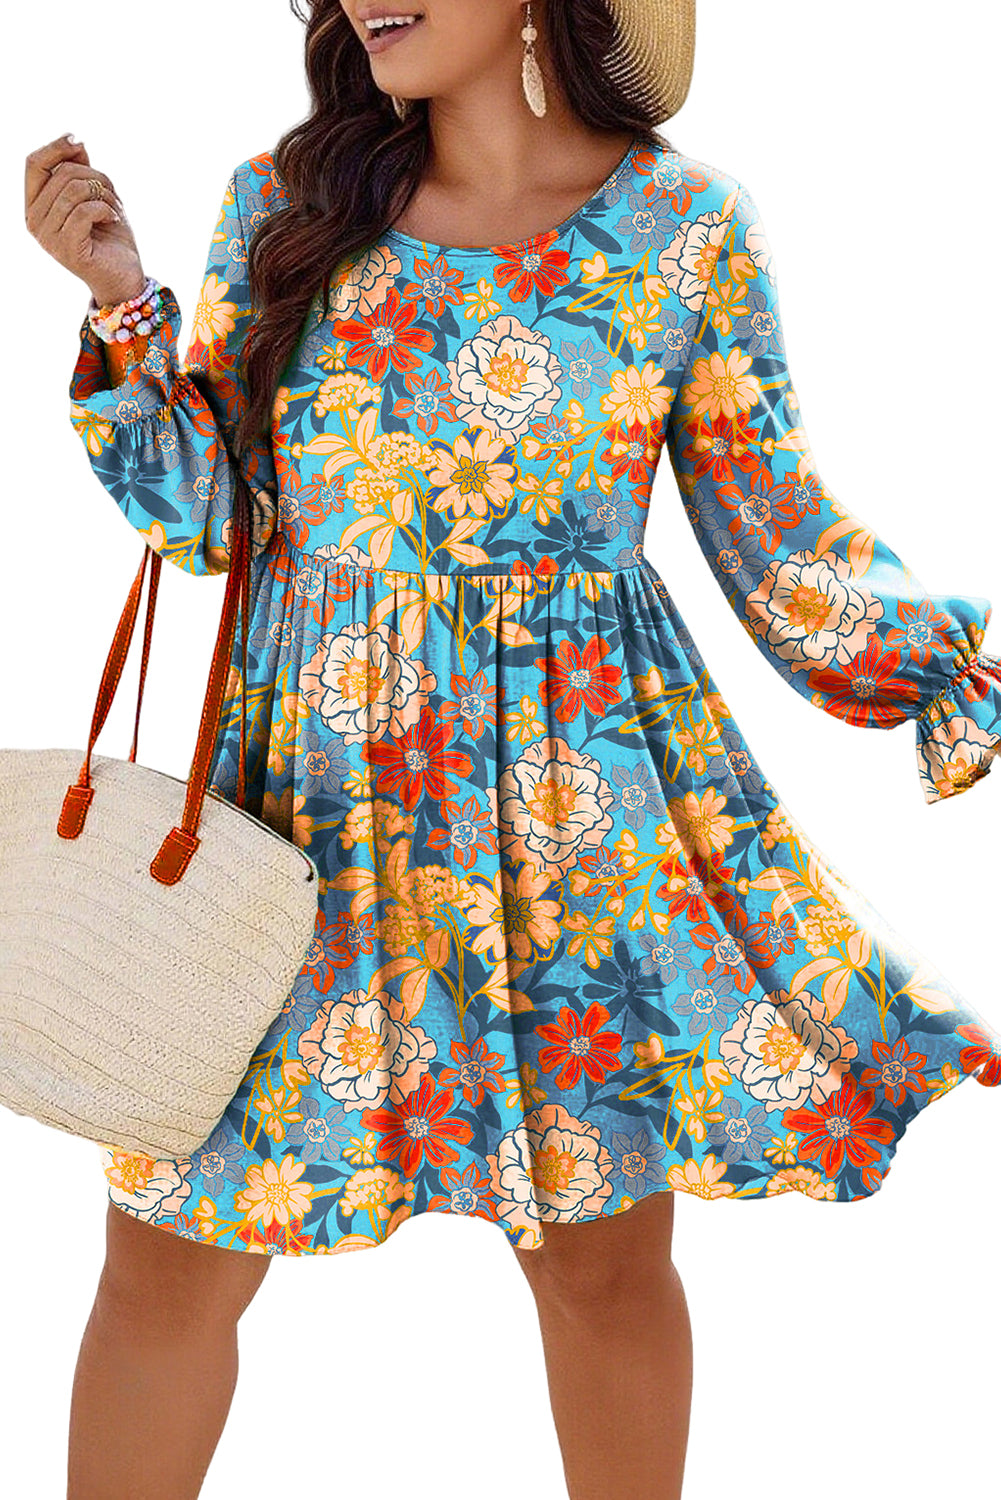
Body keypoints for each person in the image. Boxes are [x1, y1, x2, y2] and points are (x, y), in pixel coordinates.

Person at [22, 3, 1001, 1498]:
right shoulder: (285, 206)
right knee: (167, 1259)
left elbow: (776, 533)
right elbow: (205, 520)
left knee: (599, 1270)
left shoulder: (684, 230)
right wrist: (120, 302)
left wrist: (947, 674)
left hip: (577, 828)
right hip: (305, 833)